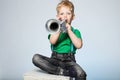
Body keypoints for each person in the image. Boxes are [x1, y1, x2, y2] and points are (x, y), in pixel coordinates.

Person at [32, 0, 87, 80]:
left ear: (73, 17)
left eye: (68, 13)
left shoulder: (75, 32)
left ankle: (61, 71)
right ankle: (61, 72)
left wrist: (69, 30)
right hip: (55, 60)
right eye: (62, 14)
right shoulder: (55, 30)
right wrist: (58, 27)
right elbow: (52, 41)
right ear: (58, 16)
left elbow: (79, 45)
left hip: (69, 62)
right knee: (36, 58)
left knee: (81, 74)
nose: (65, 16)